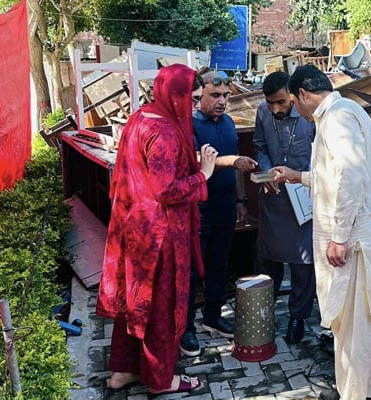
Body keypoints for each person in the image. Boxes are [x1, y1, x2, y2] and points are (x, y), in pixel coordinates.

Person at [273, 65, 371, 400]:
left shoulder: (339, 118)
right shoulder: (341, 113)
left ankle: (355, 395)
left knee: (358, 333)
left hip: (358, 243)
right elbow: (335, 177)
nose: (296, 110)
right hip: (357, 239)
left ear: (303, 94)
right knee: (349, 333)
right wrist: (298, 176)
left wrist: (339, 237)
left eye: (293, 101)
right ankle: (352, 393)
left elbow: (350, 177)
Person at [96, 64, 217, 397]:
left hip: (133, 229)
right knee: (162, 309)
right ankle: (162, 380)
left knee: (134, 305)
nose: (193, 106)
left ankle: (122, 372)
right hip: (160, 237)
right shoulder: (163, 132)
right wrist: (202, 174)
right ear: (174, 95)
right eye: (191, 100)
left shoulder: (140, 118)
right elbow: (166, 190)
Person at [180, 69, 258, 356]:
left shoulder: (227, 124)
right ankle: (185, 328)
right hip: (197, 209)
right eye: (215, 95)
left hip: (225, 206)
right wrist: (232, 161)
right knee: (191, 272)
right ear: (200, 96)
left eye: (226, 95)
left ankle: (212, 316)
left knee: (219, 265)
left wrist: (241, 201)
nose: (222, 101)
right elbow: (196, 162)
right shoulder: (188, 126)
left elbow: (235, 169)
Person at [253, 71, 316, 344]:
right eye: (270, 103)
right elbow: (260, 145)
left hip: (304, 195)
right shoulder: (262, 112)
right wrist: (267, 174)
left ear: (293, 95)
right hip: (274, 194)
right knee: (269, 259)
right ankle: (264, 312)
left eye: (280, 102)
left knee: (303, 263)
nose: (275, 109)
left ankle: (297, 317)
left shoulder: (309, 114)